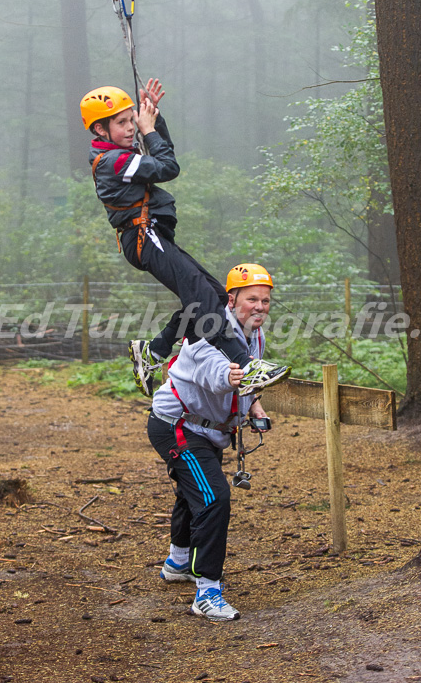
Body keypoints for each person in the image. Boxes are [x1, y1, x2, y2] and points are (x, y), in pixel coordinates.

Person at [80, 79, 291, 397]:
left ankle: (154, 350)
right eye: (122, 122)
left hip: (151, 236)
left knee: (215, 296)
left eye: (132, 119)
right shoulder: (115, 161)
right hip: (142, 237)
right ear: (99, 130)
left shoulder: (121, 156)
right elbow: (168, 167)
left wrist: (155, 119)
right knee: (201, 296)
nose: (131, 128)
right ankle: (244, 364)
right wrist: (149, 131)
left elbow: (163, 159)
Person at [147, 263, 275, 621]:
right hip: (177, 425)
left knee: (196, 490)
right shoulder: (207, 330)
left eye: (265, 300)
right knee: (214, 497)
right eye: (252, 299)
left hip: (209, 429)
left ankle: (177, 562)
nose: (260, 307)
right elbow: (217, 374)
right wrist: (235, 377)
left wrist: (254, 406)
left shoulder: (255, 335)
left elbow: (248, 380)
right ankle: (207, 592)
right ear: (231, 300)